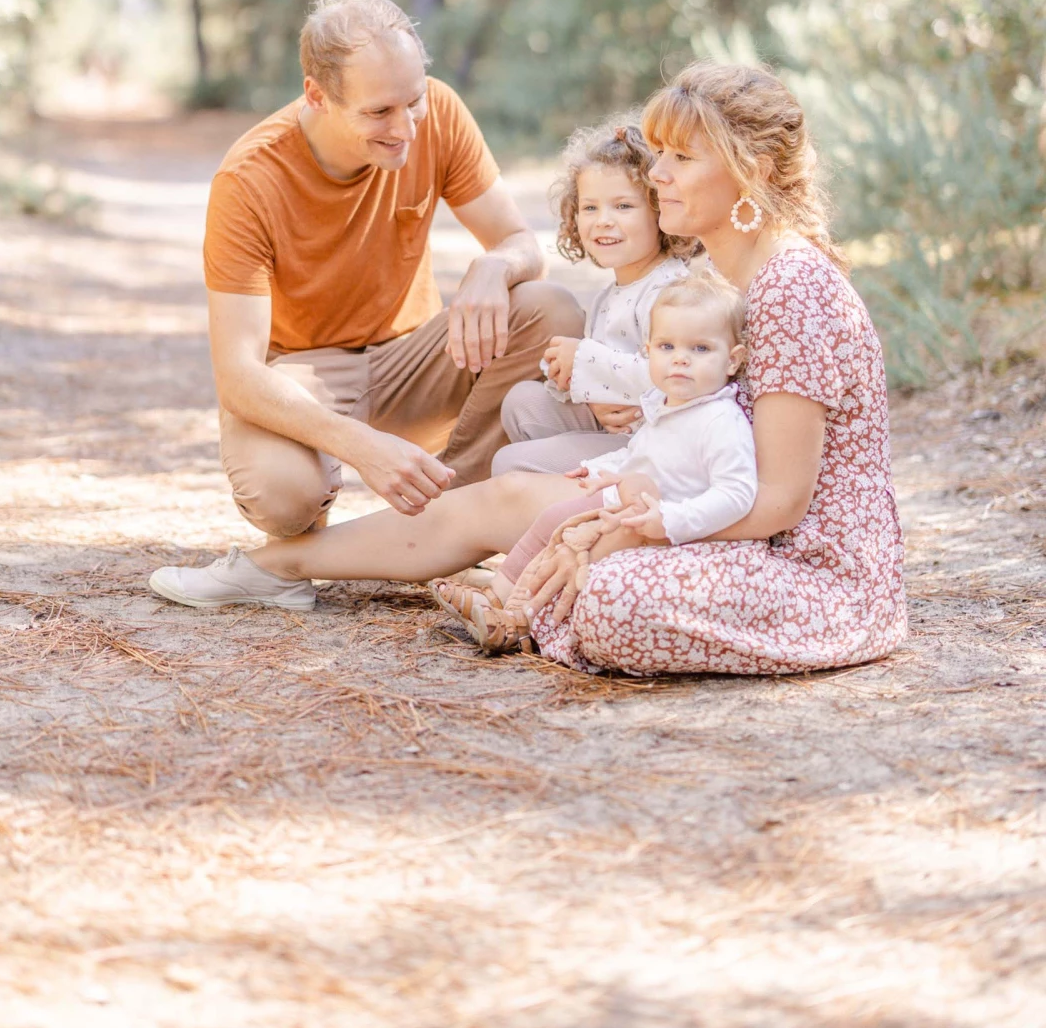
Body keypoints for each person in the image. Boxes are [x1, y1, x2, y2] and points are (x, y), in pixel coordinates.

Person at [152, 60, 907, 683]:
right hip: (706, 514)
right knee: (516, 494)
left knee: (609, 597)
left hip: (803, 570)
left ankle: (538, 594)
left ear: (755, 170)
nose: (659, 176)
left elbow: (778, 503)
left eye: (682, 158)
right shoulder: (731, 280)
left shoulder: (790, 287)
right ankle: (274, 565)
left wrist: (627, 533)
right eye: (659, 155)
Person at [149, 0, 584, 612]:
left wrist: (496, 264)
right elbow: (237, 374)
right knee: (282, 495)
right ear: (317, 95)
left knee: (551, 307)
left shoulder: (440, 116)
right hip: (307, 375)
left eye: (415, 99)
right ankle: (319, 543)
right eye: (380, 111)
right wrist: (361, 446)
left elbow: (519, 241)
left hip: (416, 357)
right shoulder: (249, 180)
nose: (405, 128)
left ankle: (449, 520)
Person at [435, 268, 759, 652]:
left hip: (668, 527)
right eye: (667, 348)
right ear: (648, 351)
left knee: (574, 550)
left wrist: (672, 521)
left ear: (733, 360)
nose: (681, 361)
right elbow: (642, 455)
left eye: (700, 349)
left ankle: (520, 621)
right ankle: (498, 595)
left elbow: (738, 492)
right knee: (554, 521)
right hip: (630, 506)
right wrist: (602, 470)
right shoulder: (666, 403)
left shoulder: (720, 419)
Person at [490, 117, 688, 478]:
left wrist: (583, 359)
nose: (603, 221)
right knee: (522, 400)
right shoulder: (610, 294)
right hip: (614, 426)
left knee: (509, 463)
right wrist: (570, 375)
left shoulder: (671, 291)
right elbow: (602, 374)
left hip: (651, 443)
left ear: (660, 211)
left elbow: (676, 378)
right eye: (590, 208)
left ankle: (574, 505)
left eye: (623, 207)